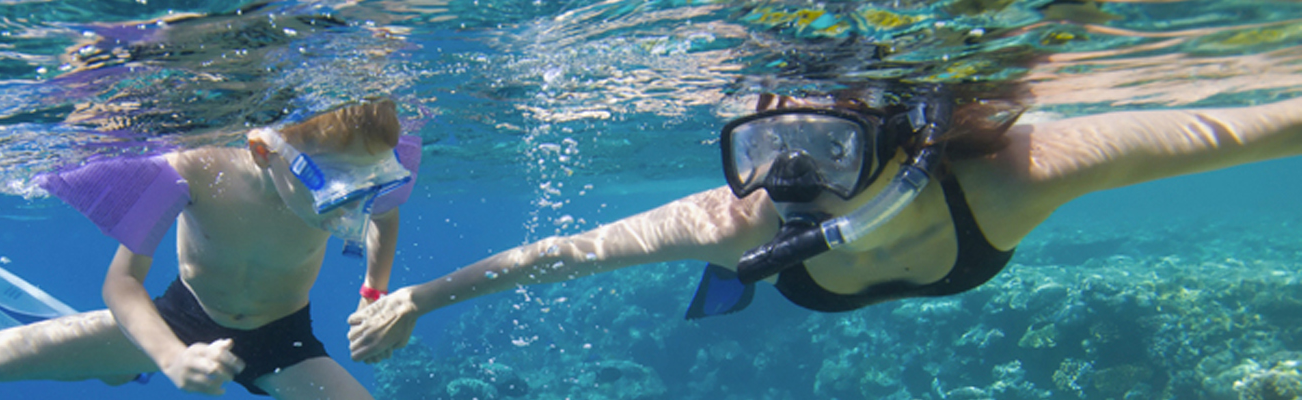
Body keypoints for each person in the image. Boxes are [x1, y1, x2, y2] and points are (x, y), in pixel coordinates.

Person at [345, 81, 1302, 363]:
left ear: (902, 145)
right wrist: (420, 299)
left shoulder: (1009, 177)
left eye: (827, 150)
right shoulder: (741, 221)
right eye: (762, 149)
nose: (788, 180)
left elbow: (1245, 133)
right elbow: (562, 255)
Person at [0, 99, 421, 398]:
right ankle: (125, 363)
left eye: (365, 184)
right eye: (335, 188)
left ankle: (122, 358)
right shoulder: (191, 170)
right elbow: (122, 282)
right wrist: (171, 357)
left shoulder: (351, 175)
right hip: (181, 321)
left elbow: (385, 214)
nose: (348, 207)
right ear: (265, 151)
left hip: (285, 341)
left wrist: (373, 296)